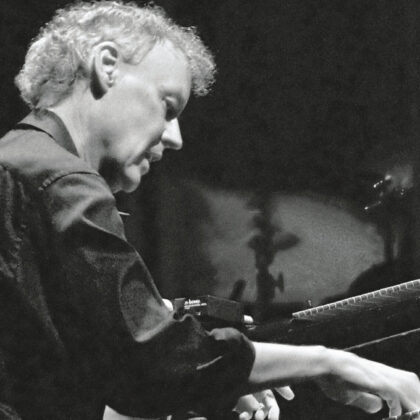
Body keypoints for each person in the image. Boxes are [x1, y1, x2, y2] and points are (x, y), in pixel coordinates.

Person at [0, 1, 419, 419]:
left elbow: (72, 382)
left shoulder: (20, 166)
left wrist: (215, 385)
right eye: (168, 106)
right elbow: (155, 360)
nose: (175, 137)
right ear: (106, 66)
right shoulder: (58, 180)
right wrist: (330, 362)